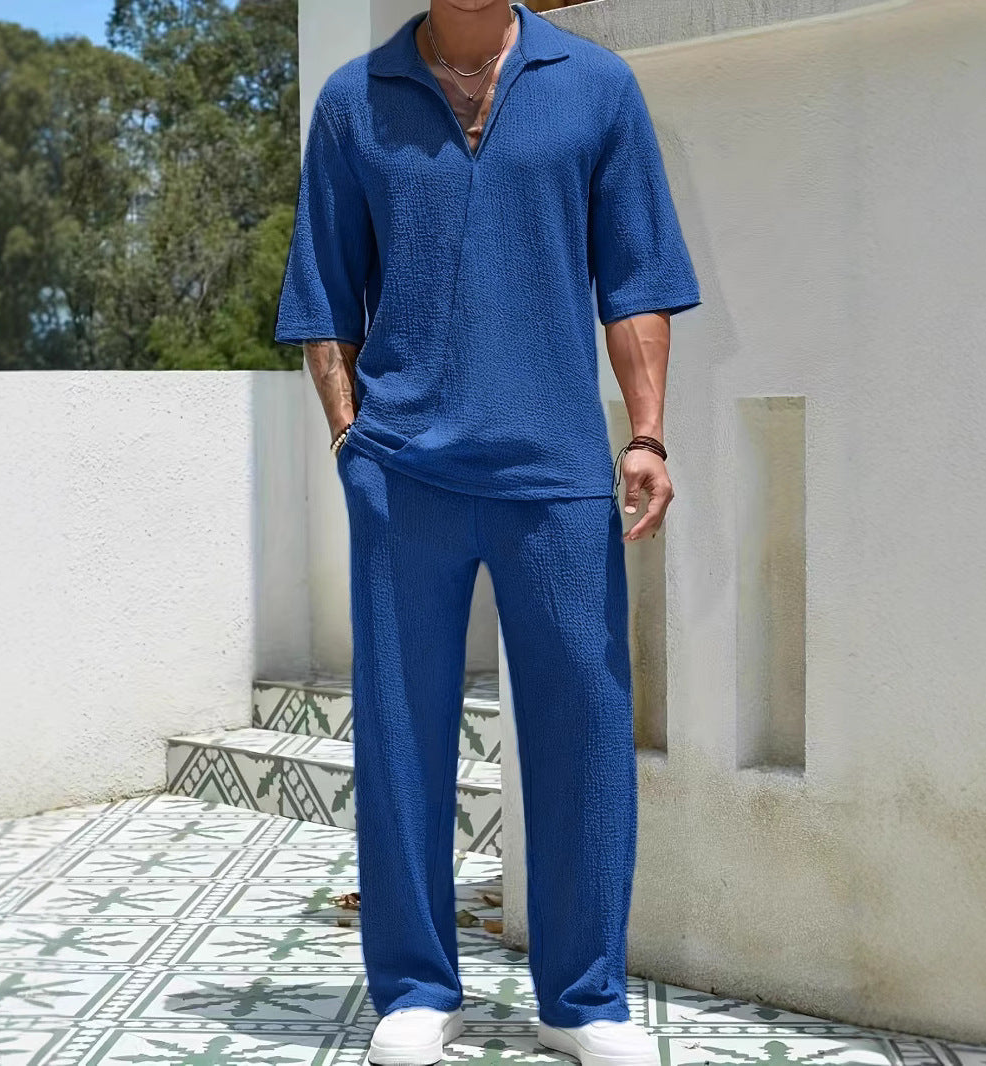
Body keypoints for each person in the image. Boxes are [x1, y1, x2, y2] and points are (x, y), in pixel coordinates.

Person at [275, 2, 701, 1063]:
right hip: (402, 474)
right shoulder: (354, 101)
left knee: (584, 732)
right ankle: (416, 988)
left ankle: (584, 999)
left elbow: (636, 278)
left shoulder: (595, 86)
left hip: (555, 473)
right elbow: (323, 295)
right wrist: (349, 442)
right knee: (399, 731)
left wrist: (646, 434)